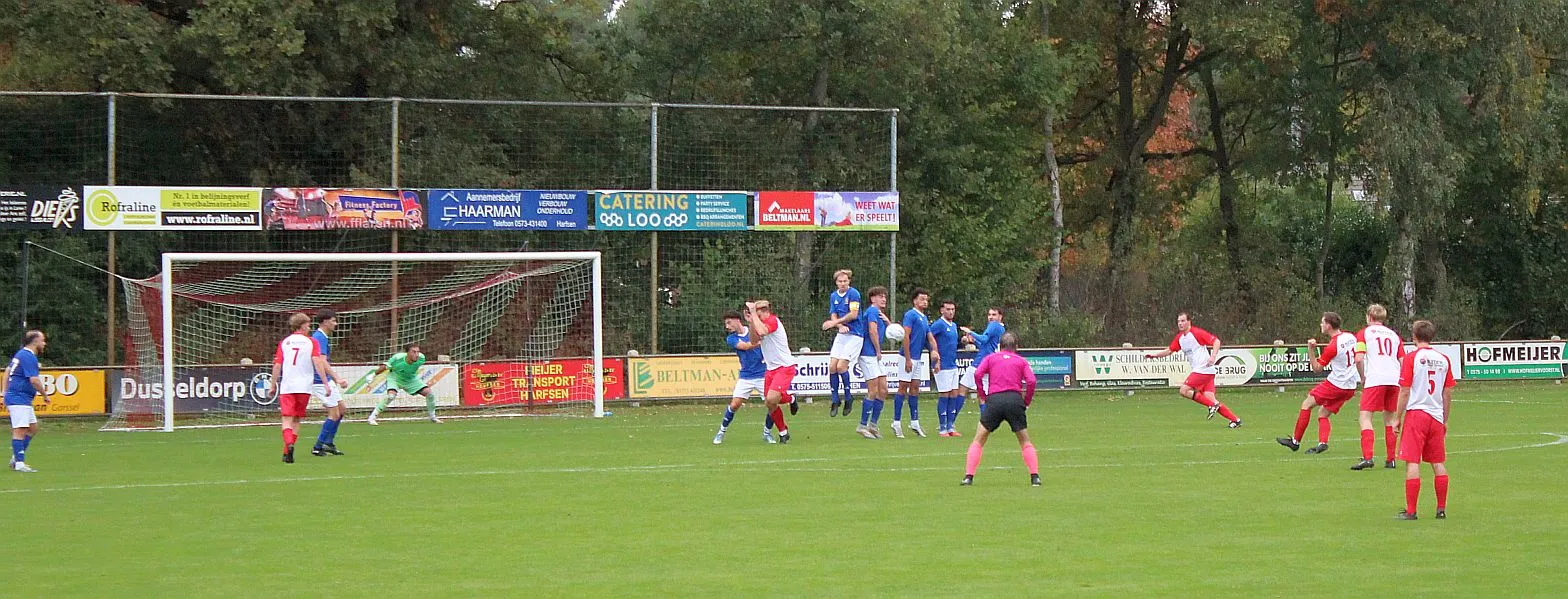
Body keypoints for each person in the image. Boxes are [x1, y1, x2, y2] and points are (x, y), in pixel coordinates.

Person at [960, 333, 1040, 487]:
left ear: (1000, 346)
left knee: (979, 439)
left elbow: (978, 374)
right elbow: (1031, 381)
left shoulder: (991, 358)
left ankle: (968, 477)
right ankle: (1035, 477)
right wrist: (1026, 401)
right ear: (1016, 347)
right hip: (1014, 400)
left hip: (994, 400)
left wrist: (982, 394)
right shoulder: (1021, 361)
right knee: (1024, 440)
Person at [1395, 320, 1455, 520]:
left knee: (1413, 461)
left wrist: (1397, 417)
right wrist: (1444, 419)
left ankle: (1411, 511)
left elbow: (1404, 391)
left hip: (1417, 414)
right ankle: (1441, 509)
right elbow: (1447, 393)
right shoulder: (1444, 359)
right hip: (1436, 416)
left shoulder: (1412, 358)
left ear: (1414, 337)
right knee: (1437, 462)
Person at [1278, 312, 1359, 454]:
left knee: (1306, 404)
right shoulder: (1350, 337)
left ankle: (1295, 442)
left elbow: (1317, 369)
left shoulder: (1333, 346)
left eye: (1322, 322)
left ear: (1328, 326)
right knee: (1323, 413)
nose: (1321, 325)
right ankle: (1322, 443)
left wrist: (1310, 349)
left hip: (1337, 384)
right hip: (1350, 386)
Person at [1143, 312, 1242, 427]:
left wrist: (1213, 356)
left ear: (1189, 322)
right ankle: (1235, 420)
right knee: (1210, 399)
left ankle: (1212, 406)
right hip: (1206, 371)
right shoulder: (1180, 338)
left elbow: (1216, 341)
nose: (1180, 323)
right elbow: (1169, 350)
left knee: (1184, 390)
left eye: (1183, 321)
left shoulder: (1196, 333)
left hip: (1203, 369)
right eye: (1178, 321)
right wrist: (1154, 355)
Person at [270, 313, 342, 464]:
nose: (309, 327)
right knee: (297, 420)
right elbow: (318, 363)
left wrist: (272, 385)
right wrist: (326, 382)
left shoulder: (285, 342)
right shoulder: (311, 342)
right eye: (308, 325)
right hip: (304, 387)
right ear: (302, 325)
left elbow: (277, 365)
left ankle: (289, 445)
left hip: (287, 387)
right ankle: (290, 451)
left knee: (286, 420)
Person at [1352, 304, 1405, 470]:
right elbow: (1403, 360)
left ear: (1369, 317)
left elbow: (1359, 358)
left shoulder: (1364, 333)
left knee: (1365, 417)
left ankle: (1368, 457)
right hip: (1394, 379)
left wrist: (1363, 377)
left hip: (1375, 379)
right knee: (1390, 419)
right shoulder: (1394, 336)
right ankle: (1391, 459)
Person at [714, 310, 777, 444]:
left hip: (763, 375)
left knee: (772, 405)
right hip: (746, 376)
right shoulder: (731, 339)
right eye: (726, 324)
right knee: (735, 404)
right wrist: (760, 342)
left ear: (737, 320)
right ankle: (721, 432)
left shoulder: (753, 330)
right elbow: (745, 346)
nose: (727, 326)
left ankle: (767, 433)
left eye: (729, 323)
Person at [747, 299, 797, 443]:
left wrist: (753, 314)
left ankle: (791, 399)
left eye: (757, 314)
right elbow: (753, 341)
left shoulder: (772, 320)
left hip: (784, 367)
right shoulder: (759, 322)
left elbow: (763, 331)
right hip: (771, 369)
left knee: (771, 398)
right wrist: (751, 322)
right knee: (769, 403)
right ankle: (783, 432)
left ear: (763, 311)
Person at [891, 288, 938, 439]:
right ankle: (896, 422)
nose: (925, 301)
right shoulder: (910, 315)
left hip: (918, 357)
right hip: (908, 357)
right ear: (915, 301)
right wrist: (908, 358)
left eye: (926, 299)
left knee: (915, 387)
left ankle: (914, 422)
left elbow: (930, 337)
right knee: (903, 386)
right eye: (922, 299)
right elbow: (906, 336)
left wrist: (934, 351)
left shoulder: (923, 318)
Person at [3, 331, 50, 473]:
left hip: (22, 398)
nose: (44, 343)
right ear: (35, 341)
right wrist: (44, 395)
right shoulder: (28, 356)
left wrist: (4, 392)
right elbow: (34, 380)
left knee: (32, 428)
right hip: (18, 398)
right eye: (42, 340)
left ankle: (16, 457)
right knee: (20, 430)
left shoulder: (21, 354)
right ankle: (19, 463)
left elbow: (7, 371)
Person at [822, 269, 864, 417]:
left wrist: (833, 323)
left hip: (855, 334)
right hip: (842, 334)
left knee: (841, 367)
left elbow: (853, 314)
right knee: (832, 367)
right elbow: (833, 314)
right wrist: (839, 326)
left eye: (845, 281)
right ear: (836, 282)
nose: (843, 283)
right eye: (840, 281)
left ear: (849, 281)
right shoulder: (834, 296)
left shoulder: (854, 294)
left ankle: (848, 397)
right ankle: (835, 400)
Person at [958, 307, 1006, 432]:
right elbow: (986, 345)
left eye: (994, 314)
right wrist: (973, 340)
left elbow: (984, 339)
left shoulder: (994, 326)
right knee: (982, 395)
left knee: (962, 389)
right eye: (989, 314)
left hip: (980, 363)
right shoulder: (1001, 328)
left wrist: (970, 332)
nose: (991, 317)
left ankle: (948, 425)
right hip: (990, 364)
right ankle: (986, 425)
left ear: (1000, 316)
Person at [368, 343, 442, 425]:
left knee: (429, 394)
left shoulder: (421, 358)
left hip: (410, 379)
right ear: (407, 353)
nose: (417, 354)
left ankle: (433, 417)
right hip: (395, 378)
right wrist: (373, 375)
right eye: (414, 352)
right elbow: (385, 367)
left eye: (418, 352)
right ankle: (372, 417)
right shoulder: (397, 358)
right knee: (391, 396)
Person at [855, 287, 891, 439]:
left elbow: (892, 331)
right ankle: (862, 425)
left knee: (883, 390)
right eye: (880, 296)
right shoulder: (871, 312)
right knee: (873, 390)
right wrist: (878, 350)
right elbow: (872, 331)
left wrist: (888, 322)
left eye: (884, 297)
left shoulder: (879, 314)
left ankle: (873, 425)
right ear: (872, 299)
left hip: (874, 355)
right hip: (868, 354)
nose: (883, 299)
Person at [310, 309, 346, 456]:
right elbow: (322, 361)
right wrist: (337, 378)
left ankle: (328, 443)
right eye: (333, 321)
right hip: (319, 380)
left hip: (325, 379)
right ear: (325, 322)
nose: (335, 324)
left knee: (341, 409)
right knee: (334, 413)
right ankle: (317, 446)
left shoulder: (322, 336)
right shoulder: (319, 337)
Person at [930, 301, 962, 437]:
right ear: (942, 310)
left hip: (953, 364)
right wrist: (935, 358)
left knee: (954, 394)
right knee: (944, 394)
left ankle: (950, 427)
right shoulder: (938, 325)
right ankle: (942, 428)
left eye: (953, 309)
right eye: (948, 309)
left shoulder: (953, 326)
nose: (951, 312)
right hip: (942, 365)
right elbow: (929, 338)